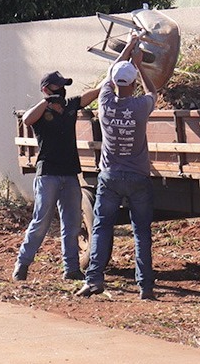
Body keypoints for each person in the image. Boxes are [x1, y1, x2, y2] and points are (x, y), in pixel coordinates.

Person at [76, 31, 159, 300]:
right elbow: (153, 92)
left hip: (110, 177)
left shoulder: (105, 103)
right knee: (141, 233)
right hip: (138, 178)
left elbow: (112, 75)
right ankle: (145, 287)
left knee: (101, 227)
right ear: (133, 84)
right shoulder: (140, 106)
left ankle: (94, 280)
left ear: (113, 83)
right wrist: (140, 64)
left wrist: (128, 51)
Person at [13, 71, 101, 282]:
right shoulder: (40, 113)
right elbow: (26, 119)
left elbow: (93, 94)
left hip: (70, 174)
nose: (61, 90)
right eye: (57, 87)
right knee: (41, 222)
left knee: (71, 224)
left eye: (63, 86)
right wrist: (46, 102)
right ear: (45, 89)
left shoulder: (70, 106)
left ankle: (70, 269)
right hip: (48, 175)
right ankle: (22, 264)